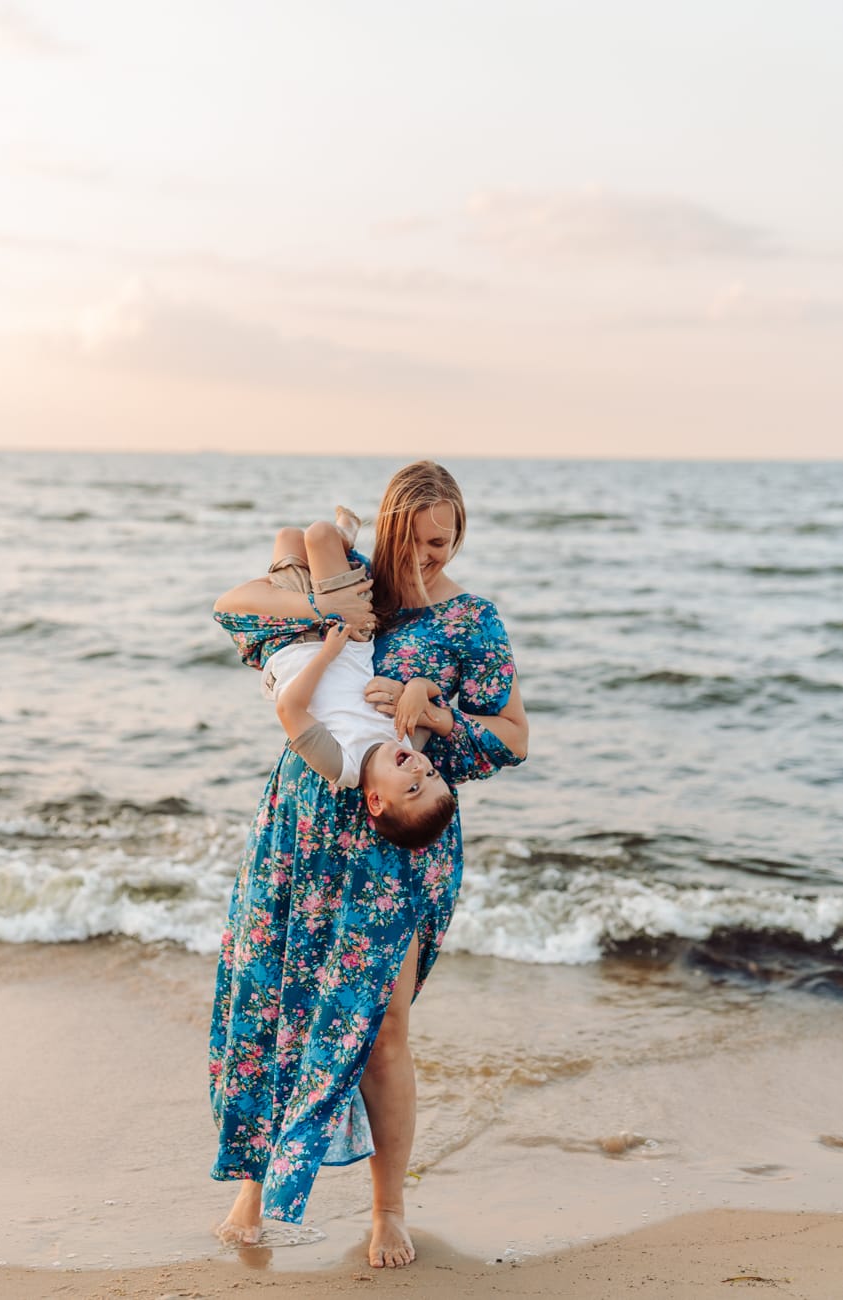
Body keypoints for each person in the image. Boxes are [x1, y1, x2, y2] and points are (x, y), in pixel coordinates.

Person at [210, 461, 528, 1269]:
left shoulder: (470, 621)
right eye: (413, 540)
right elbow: (234, 606)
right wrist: (325, 611)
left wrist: (439, 715)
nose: (425, 557)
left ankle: (388, 1209)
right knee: (274, 1000)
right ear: (387, 529)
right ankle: (254, 1185)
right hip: (301, 827)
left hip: (399, 849)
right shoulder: (350, 587)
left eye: (441, 542)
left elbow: (514, 739)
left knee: (383, 1027)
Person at [262, 514, 456, 849]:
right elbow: (438, 704)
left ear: (376, 801)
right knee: (320, 535)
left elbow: (289, 709)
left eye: (413, 789)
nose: (418, 771)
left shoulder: (342, 765)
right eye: (431, 774)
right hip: (351, 633)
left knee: (288, 538)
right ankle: (345, 536)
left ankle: (344, 542)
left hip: (295, 642)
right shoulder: (407, 740)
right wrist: (417, 688)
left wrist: (326, 654)